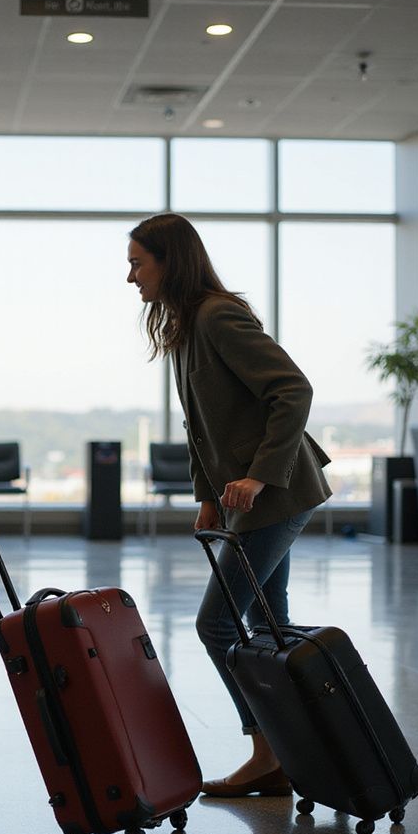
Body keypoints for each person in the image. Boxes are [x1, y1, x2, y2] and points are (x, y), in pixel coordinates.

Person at [126, 213, 331, 797]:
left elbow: (293, 390)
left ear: (171, 261)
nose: (131, 276)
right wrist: (208, 498)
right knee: (270, 625)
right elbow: (201, 428)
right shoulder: (185, 327)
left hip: (278, 493)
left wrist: (260, 479)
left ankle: (268, 749)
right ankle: (299, 746)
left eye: (139, 263)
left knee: (216, 622)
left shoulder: (218, 316)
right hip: (250, 500)